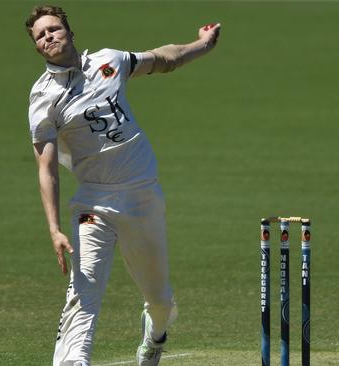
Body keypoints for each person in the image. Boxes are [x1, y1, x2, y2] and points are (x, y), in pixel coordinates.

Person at [25, 5, 220, 366]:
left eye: (53, 29)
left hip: (142, 196)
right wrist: (53, 229)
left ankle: (156, 333)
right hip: (93, 204)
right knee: (82, 297)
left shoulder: (109, 61)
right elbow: (46, 168)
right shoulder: (43, 99)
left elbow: (164, 58)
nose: (48, 36)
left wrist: (202, 44)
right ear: (37, 47)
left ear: (69, 32)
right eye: (40, 35)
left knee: (160, 299)